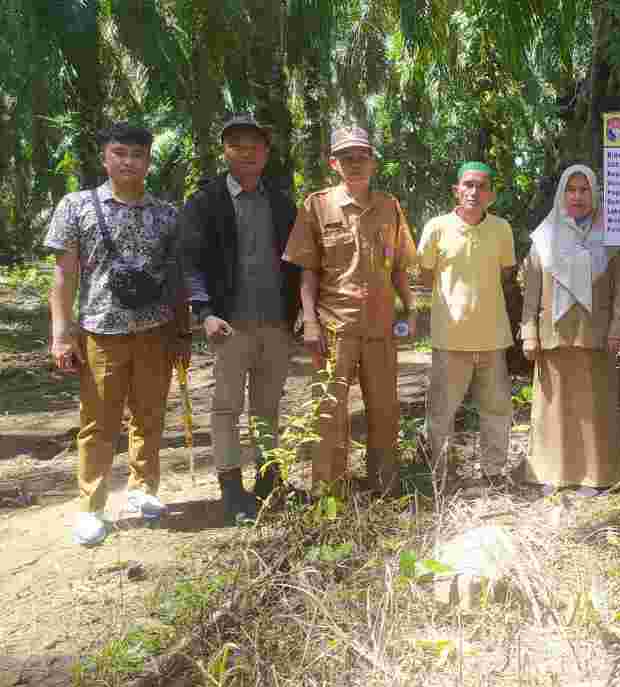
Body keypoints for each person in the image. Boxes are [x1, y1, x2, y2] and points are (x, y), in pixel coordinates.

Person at [46, 122, 189, 546]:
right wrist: (60, 333)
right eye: (120, 153)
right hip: (100, 333)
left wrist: (182, 333)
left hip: (155, 332)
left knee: (149, 416)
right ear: (105, 157)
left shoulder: (167, 214)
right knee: (99, 423)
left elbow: (176, 278)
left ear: (149, 161)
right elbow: (64, 276)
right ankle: (91, 507)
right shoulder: (77, 207)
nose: (128, 162)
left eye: (137, 155)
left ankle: (143, 491)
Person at [282, 127, 417, 496]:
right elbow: (307, 270)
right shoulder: (316, 205)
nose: (355, 164)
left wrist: (411, 308)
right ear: (334, 164)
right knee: (329, 413)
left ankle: (386, 488)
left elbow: (400, 266)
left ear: (373, 162)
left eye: (362, 157)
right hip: (334, 328)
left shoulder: (390, 207)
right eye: (347, 158)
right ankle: (329, 495)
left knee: (385, 411)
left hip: (380, 328)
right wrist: (309, 321)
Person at [179, 114, 301, 524]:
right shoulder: (205, 201)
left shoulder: (282, 202)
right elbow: (190, 262)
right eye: (237, 144)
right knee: (226, 409)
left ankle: (269, 482)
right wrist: (205, 312)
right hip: (229, 325)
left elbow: (299, 264)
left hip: (276, 324)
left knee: (267, 409)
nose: (246, 152)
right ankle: (232, 490)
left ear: (266, 153)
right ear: (225, 151)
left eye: (254, 145)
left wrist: (300, 314)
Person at [520, 165, 620, 494]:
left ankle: (595, 476)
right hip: (553, 334)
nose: (578, 196)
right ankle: (551, 473)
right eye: (572, 190)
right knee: (553, 409)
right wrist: (528, 332)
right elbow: (532, 290)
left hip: (596, 335)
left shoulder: (611, 235)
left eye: (584, 190)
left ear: (594, 194)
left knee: (593, 409)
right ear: (562, 195)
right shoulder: (544, 236)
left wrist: (617, 328)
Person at [419, 162, 517, 494]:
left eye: (482, 186)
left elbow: (505, 276)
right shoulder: (437, 227)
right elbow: (425, 274)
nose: (475, 192)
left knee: (497, 409)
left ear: (490, 194)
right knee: (442, 412)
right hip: (450, 339)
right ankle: (441, 476)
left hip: (493, 338)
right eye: (468, 185)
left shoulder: (502, 229)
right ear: (456, 190)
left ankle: (493, 473)